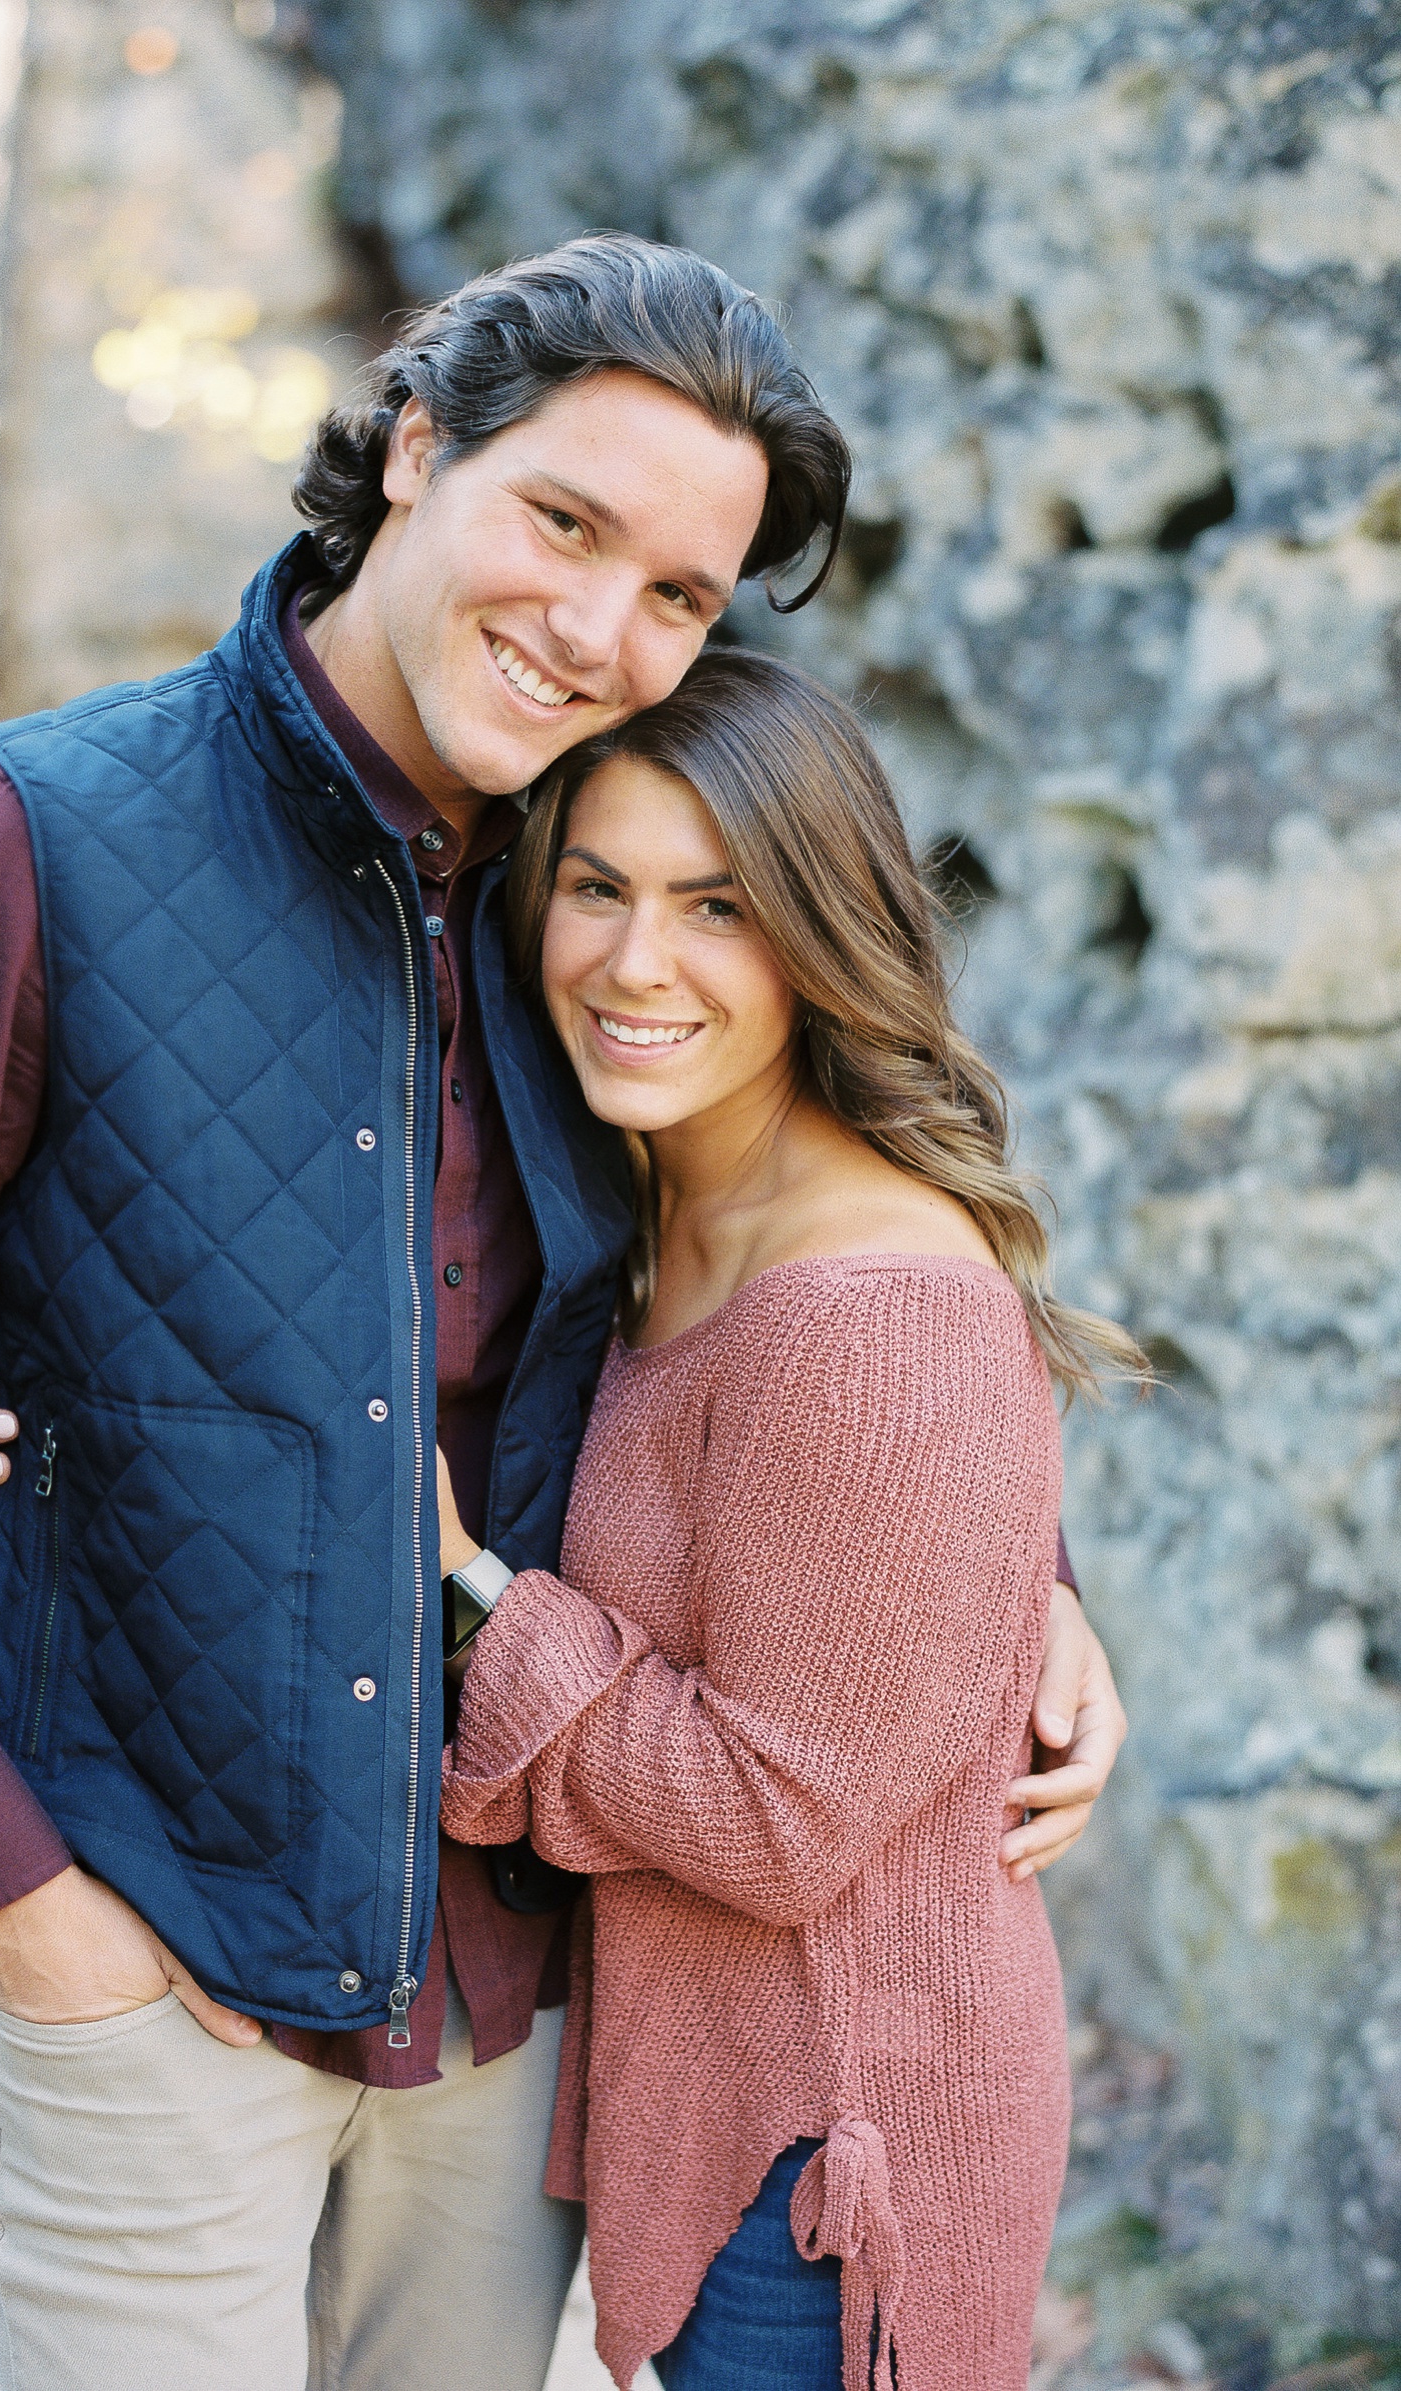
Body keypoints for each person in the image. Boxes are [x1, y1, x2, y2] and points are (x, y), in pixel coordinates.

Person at [0, 234, 1125, 2391]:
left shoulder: (610, 883)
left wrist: (1028, 1575)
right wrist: (16, 1898)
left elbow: (802, 1265)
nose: (597, 630)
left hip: (519, 2008)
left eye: (679, 595)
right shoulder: (27, 843)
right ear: (417, 443)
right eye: (564, 522)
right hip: (151, 1953)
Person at [434, 646, 1147, 2391]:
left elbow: (778, 1820)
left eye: (718, 906)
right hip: (731, 2114)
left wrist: (462, 1583)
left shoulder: (865, 1307)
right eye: (596, 888)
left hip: (839, 2165)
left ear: (819, 936)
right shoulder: (647, 1195)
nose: (636, 960)